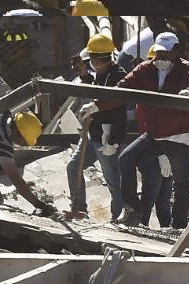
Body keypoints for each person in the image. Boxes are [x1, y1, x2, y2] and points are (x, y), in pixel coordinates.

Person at [108, 33, 189, 229]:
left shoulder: (187, 68)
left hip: (177, 136)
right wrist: (97, 104)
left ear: (175, 51)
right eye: (158, 53)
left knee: (180, 182)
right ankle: (133, 209)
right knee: (126, 159)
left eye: (166, 54)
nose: (161, 57)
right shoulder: (145, 70)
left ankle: (179, 226)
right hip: (153, 135)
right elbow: (121, 89)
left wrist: (188, 93)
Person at [69, 33, 131, 221]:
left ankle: (118, 216)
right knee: (73, 167)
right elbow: (95, 86)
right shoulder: (102, 74)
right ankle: (80, 209)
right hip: (92, 135)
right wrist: (85, 76)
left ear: (98, 59)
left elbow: (118, 111)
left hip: (106, 137)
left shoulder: (117, 77)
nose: (91, 63)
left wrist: (113, 141)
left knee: (113, 180)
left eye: (91, 60)